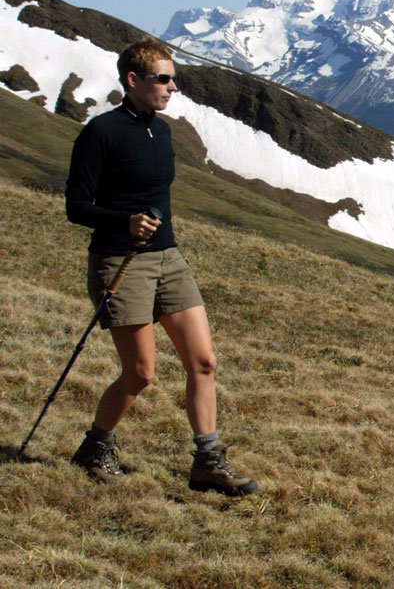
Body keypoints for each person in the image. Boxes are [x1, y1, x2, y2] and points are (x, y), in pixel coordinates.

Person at [64, 38, 257, 497]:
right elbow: (75, 206)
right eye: (163, 79)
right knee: (141, 373)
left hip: (168, 258)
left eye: (174, 78)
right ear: (133, 80)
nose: (173, 87)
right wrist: (124, 222)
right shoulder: (101, 132)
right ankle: (96, 445)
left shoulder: (162, 131)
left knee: (204, 362)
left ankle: (207, 462)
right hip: (120, 261)